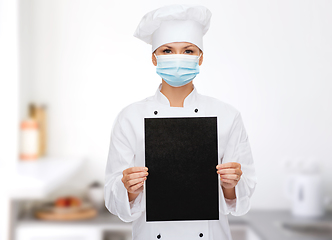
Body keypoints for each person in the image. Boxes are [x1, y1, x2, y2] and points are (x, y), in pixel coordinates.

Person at [104, 4, 257, 240]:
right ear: (154, 58)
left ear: (200, 57)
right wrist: (128, 188)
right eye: (167, 51)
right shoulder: (130, 118)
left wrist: (230, 184)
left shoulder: (227, 115)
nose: (177, 58)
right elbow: (114, 202)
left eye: (187, 51)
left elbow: (240, 201)